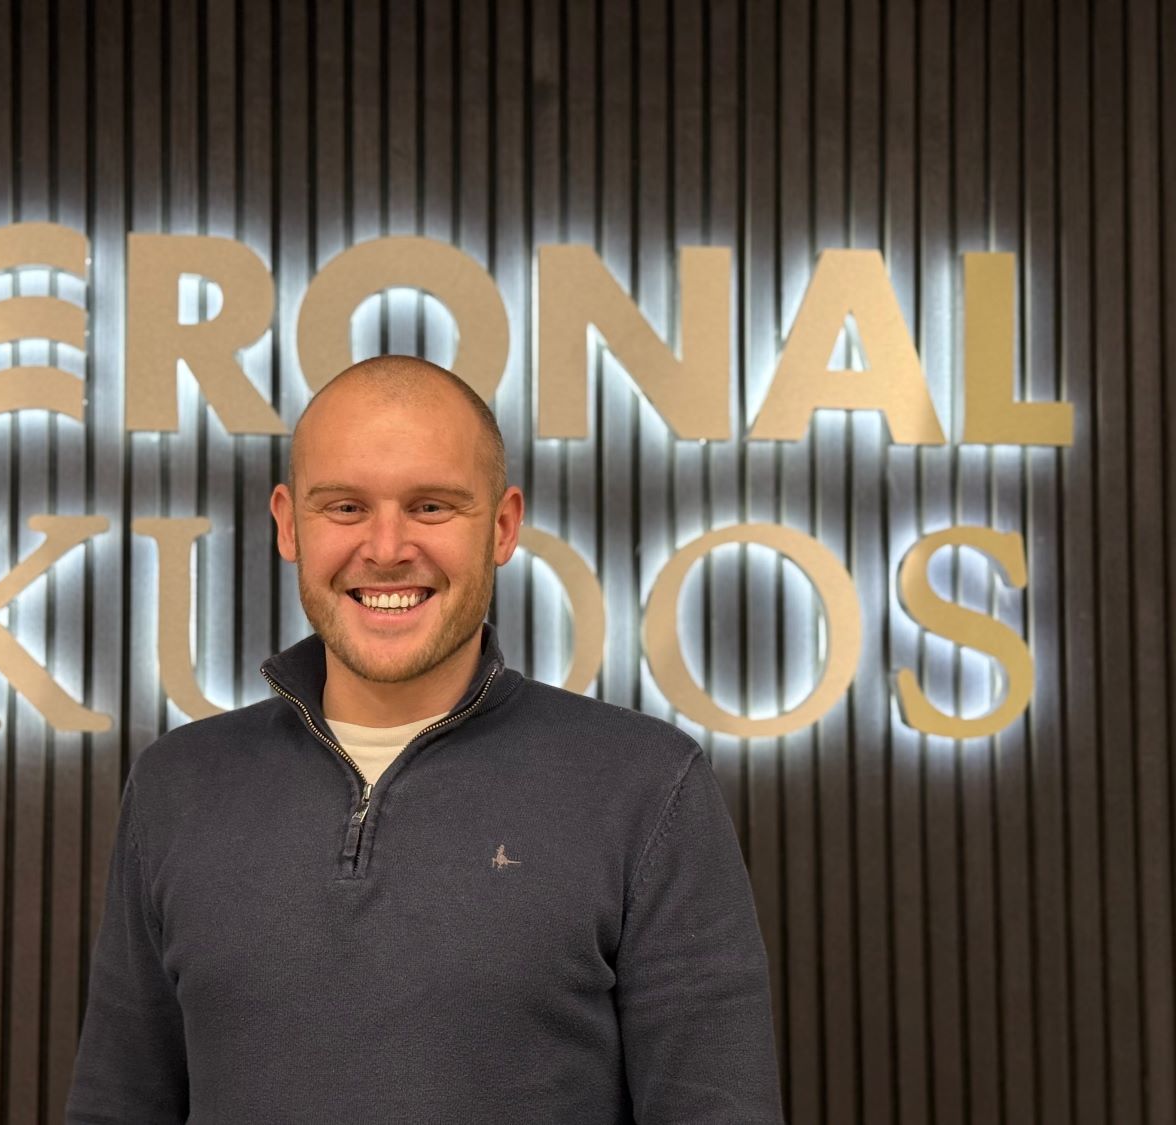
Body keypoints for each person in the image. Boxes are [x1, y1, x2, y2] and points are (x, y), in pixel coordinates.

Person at [66, 355, 784, 1123]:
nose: (386, 548)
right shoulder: (179, 786)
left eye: (431, 506)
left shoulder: (645, 786)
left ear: (502, 526)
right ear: (288, 523)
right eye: (345, 506)